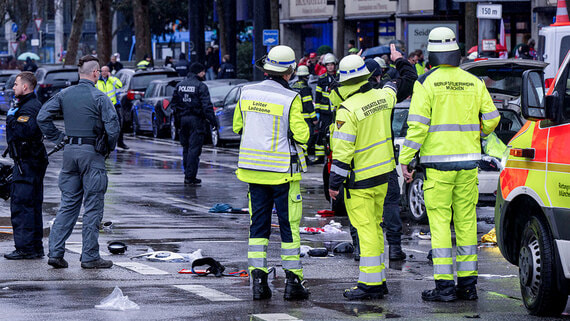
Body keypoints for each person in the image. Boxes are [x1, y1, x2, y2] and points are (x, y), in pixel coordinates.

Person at [399, 27, 500, 302]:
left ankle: (444, 287)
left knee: (441, 225)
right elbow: (492, 119)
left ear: (431, 53)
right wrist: (475, 134)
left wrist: (405, 159)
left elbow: (417, 127)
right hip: (468, 166)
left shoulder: (425, 83)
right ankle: (468, 286)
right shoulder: (473, 81)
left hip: (437, 169)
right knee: (467, 223)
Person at [233, 45, 310, 301]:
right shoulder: (290, 98)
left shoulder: (246, 92)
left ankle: (258, 283)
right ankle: (292, 283)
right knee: (289, 229)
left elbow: (237, 126)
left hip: (253, 172)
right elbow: (303, 135)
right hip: (282, 174)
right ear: (289, 71)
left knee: (258, 228)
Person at [328, 45, 403, 300]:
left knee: (366, 230)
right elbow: (393, 85)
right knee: (377, 227)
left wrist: (334, 183)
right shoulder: (383, 97)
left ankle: (369, 284)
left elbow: (342, 152)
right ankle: (378, 279)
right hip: (383, 175)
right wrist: (396, 61)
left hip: (359, 181)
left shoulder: (347, 110)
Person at [37, 55, 120, 269]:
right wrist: (107, 148)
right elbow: (113, 128)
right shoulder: (100, 97)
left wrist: (58, 138)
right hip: (92, 154)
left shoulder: (64, 94)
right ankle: (90, 256)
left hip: (70, 154)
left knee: (68, 205)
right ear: (95, 73)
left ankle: (55, 252)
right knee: (92, 207)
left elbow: (42, 117)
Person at [3, 72, 48, 260]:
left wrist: (11, 119)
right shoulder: (27, 105)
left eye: (16, 84)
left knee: (22, 205)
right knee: (32, 204)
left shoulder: (29, 108)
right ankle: (34, 247)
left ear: (25, 87)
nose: (13, 87)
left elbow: (25, 131)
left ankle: (26, 248)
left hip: (28, 161)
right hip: (29, 160)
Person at [170, 62, 217, 185]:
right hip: (196, 120)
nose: (204, 74)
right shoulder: (201, 86)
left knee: (186, 148)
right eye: (203, 72)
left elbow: (174, 105)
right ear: (199, 72)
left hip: (183, 120)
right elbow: (207, 106)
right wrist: (213, 122)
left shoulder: (179, 86)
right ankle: (190, 177)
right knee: (194, 149)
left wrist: (177, 120)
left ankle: (187, 173)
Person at [313, 53, 338, 163]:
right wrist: (317, 111)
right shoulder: (321, 79)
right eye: (328, 65)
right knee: (322, 133)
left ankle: (334, 155)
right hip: (324, 113)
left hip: (336, 111)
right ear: (325, 66)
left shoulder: (338, 78)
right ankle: (319, 157)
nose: (330, 67)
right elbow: (317, 96)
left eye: (332, 65)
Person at [96, 66, 128, 150]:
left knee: (119, 124)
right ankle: (102, 142)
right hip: (102, 106)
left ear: (109, 72)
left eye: (106, 71)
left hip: (113, 105)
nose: (104, 73)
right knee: (102, 125)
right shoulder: (97, 82)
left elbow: (119, 85)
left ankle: (120, 142)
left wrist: (110, 78)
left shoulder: (112, 80)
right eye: (102, 71)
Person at [291, 65, 318, 158]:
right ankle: (302, 154)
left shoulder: (293, 86)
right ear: (306, 76)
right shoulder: (305, 88)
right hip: (306, 118)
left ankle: (303, 157)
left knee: (299, 137)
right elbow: (308, 105)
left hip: (295, 116)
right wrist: (314, 118)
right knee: (308, 136)